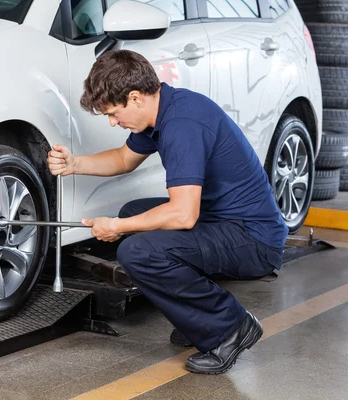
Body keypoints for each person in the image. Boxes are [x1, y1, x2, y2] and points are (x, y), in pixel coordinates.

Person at [47, 49, 287, 374]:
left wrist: (118, 225)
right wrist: (75, 164)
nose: (113, 122)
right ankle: (197, 322)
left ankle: (230, 327)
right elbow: (122, 159)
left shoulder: (182, 127)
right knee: (136, 215)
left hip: (253, 239)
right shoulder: (165, 108)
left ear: (135, 97)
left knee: (138, 251)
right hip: (222, 220)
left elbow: (183, 215)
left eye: (114, 113)